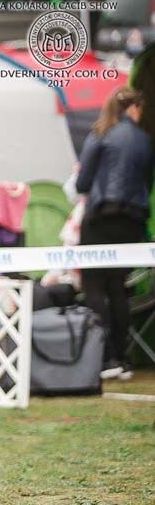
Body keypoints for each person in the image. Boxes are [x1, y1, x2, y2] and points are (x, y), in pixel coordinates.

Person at [76, 87, 152, 381]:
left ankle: (104, 357)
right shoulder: (146, 140)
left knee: (95, 289)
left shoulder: (100, 133)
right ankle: (123, 358)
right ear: (134, 109)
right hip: (132, 222)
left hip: (101, 218)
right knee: (118, 289)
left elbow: (83, 182)